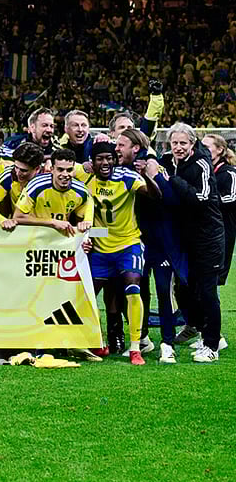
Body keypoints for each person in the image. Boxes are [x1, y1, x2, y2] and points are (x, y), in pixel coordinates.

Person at [84, 141, 160, 365]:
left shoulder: (127, 178)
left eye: (109, 158)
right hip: (99, 249)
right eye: (100, 159)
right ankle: (96, 340)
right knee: (87, 295)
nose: (105, 163)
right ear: (92, 162)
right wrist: (89, 236)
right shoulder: (85, 180)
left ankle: (136, 347)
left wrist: (146, 176)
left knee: (133, 288)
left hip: (128, 243)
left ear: (115, 160)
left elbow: (156, 195)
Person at [116, 128, 189, 363]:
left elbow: (170, 200)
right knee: (136, 291)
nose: (117, 149)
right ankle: (142, 339)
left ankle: (167, 344)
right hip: (135, 241)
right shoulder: (121, 171)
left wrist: (152, 174)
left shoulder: (154, 167)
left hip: (161, 242)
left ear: (135, 148)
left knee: (163, 291)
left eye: (121, 145)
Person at [156, 123, 226, 362]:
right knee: (185, 289)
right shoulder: (168, 161)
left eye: (183, 143)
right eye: (174, 142)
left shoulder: (201, 164)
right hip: (185, 239)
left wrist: (173, 180)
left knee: (207, 292)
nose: (178, 147)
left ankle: (212, 345)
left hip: (208, 238)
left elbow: (201, 198)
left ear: (192, 144)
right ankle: (202, 330)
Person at [14, 148, 93, 237]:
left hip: (60, 238)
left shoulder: (82, 191)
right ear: (52, 169)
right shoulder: (36, 185)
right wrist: (52, 222)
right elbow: (17, 217)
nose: (65, 174)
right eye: (60, 169)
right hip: (35, 236)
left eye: (69, 170)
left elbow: (82, 226)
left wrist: (84, 230)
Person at [0, 142, 45, 230]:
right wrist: (4, 221)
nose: (18, 173)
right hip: (18, 227)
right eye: (16, 167)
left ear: (37, 169)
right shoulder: (9, 175)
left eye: (23, 170)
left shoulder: (47, 179)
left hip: (43, 227)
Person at [202, 133, 235, 286]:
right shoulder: (201, 170)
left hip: (222, 231)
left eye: (206, 147)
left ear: (220, 150)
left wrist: (207, 199)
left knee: (213, 279)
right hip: (202, 231)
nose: (202, 150)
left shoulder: (229, 173)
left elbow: (232, 198)